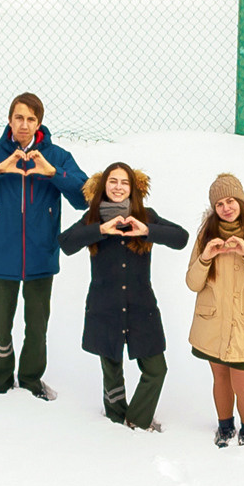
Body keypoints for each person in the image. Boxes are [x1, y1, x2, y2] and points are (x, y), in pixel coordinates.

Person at [0, 93, 88, 399]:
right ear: (10, 120)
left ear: (39, 123)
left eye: (30, 119)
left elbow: (84, 198)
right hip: (1, 256)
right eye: (19, 118)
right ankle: (0, 382)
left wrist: (54, 173)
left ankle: (30, 380)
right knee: (0, 324)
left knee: (37, 327)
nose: (24, 125)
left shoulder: (57, 156)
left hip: (41, 256)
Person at [58, 161, 189, 432]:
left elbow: (181, 238)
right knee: (112, 371)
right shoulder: (93, 218)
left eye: (124, 182)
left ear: (133, 187)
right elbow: (66, 243)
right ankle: (116, 422)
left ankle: (137, 421)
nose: (118, 187)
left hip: (142, 307)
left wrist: (147, 230)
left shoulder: (145, 216)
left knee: (156, 369)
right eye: (113, 182)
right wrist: (101, 230)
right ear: (104, 186)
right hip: (104, 307)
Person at [185, 173, 244, 447]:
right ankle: (225, 426)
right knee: (221, 380)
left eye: (231, 201)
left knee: (243, 385)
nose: (226, 208)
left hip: (243, 325)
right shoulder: (206, 235)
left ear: (240, 200)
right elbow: (193, 283)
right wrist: (205, 257)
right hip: (212, 323)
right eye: (219, 204)